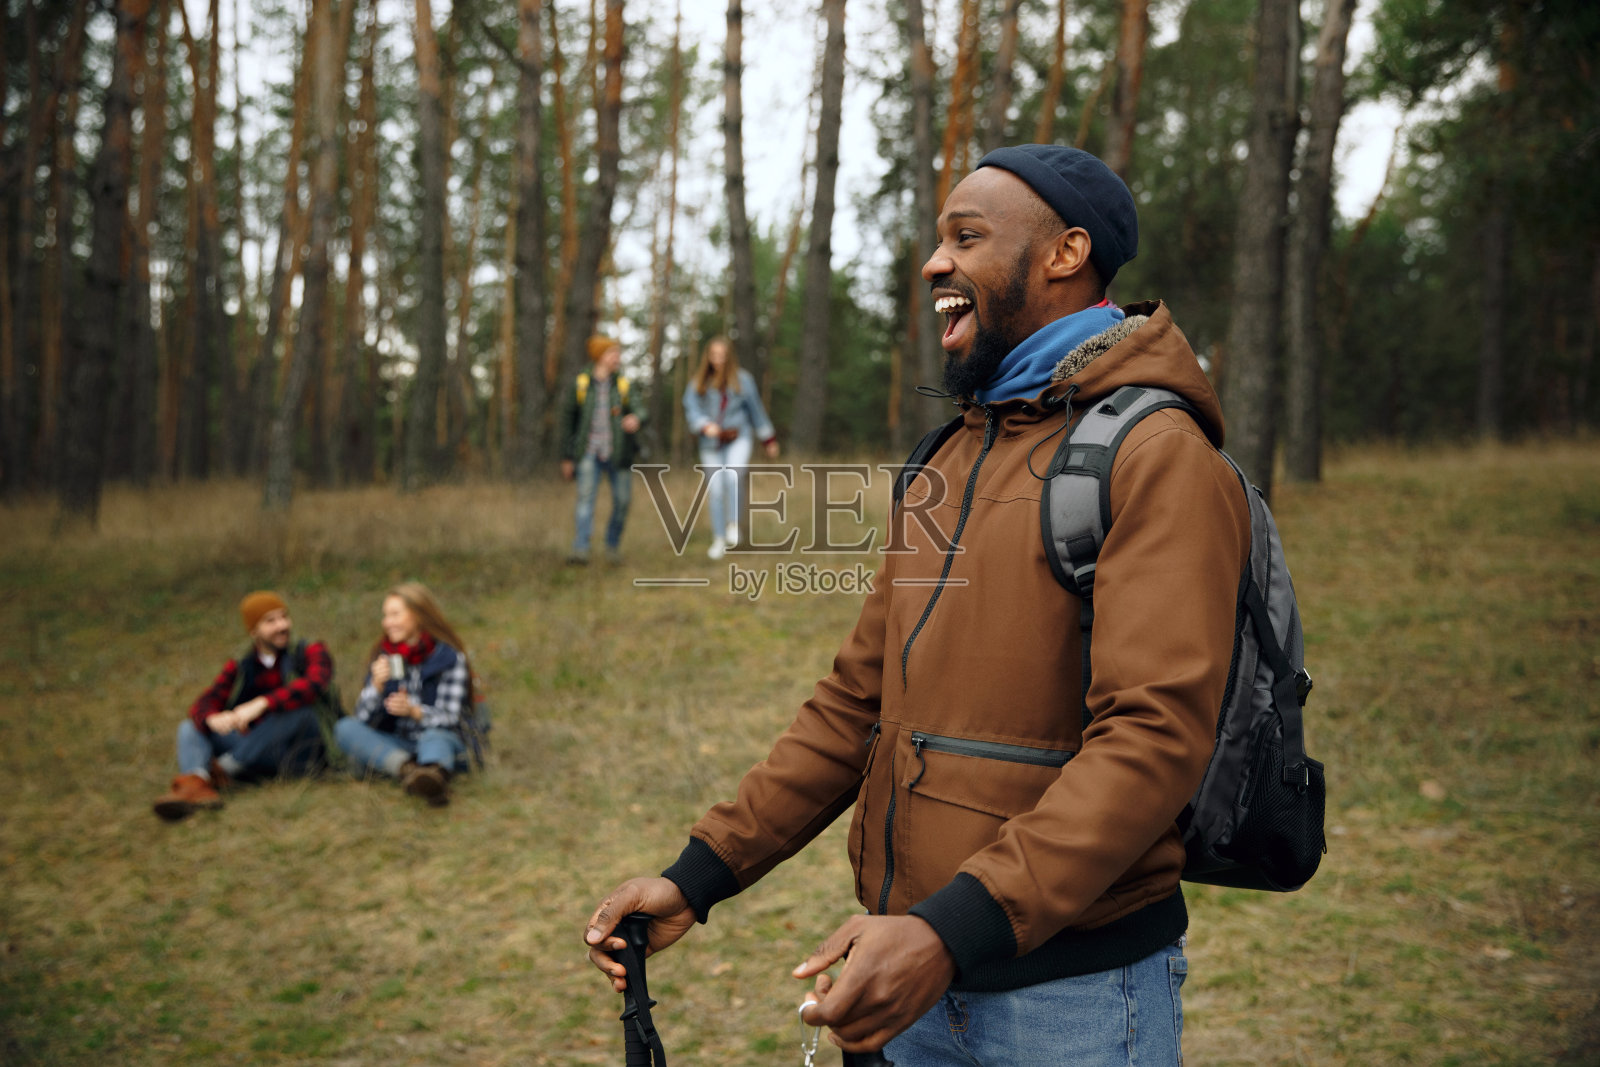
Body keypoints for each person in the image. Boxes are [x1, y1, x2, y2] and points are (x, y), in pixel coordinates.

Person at [585, 143, 1253, 1065]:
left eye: (966, 237)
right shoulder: (949, 457)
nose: (935, 264)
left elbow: (1152, 741)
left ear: (1065, 253)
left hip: (1073, 1006)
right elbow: (857, 704)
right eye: (938, 241)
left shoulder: (1157, 454)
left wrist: (946, 933)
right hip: (907, 990)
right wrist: (699, 876)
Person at [153, 592, 333, 821]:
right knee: (190, 727)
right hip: (253, 750)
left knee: (299, 712)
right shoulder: (241, 665)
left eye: (284, 617)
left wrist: (262, 704)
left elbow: (315, 684)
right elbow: (206, 701)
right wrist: (211, 718)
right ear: (253, 631)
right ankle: (197, 784)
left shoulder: (308, 651)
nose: (282, 626)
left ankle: (221, 772)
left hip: (297, 753)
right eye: (271, 621)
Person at [334, 583, 476, 807]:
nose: (387, 622)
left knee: (434, 737)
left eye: (395, 614)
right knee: (344, 728)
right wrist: (376, 686)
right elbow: (361, 719)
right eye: (385, 616)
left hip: (442, 740)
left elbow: (450, 717)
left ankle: (432, 772)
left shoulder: (449, 658)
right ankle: (410, 772)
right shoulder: (383, 656)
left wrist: (414, 711)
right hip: (401, 744)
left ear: (418, 615)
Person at [681, 336, 780, 560]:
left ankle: (733, 524)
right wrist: (704, 425)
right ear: (708, 357)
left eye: (723, 356)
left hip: (738, 437)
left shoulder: (743, 380)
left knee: (733, 477)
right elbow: (691, 409)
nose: (718, 360)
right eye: (714, 355)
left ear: (729, 357)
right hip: (710, 443)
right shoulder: (698, 383)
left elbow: (756, 411)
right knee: (716, 488)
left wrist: (769, 440)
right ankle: (719, 538)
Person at [560, 335, 643, 565]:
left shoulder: (623, 384)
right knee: (585, 501)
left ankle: (612, 546)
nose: (617, 357)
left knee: (623, 501)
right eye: (612, 353)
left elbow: (640, 410)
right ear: (600, 356)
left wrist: (635, 417)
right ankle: (581, 549)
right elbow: (568, 421)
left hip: (618, 452)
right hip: (588, 452)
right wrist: (567, 457)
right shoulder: (581, 384)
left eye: (618, 353)